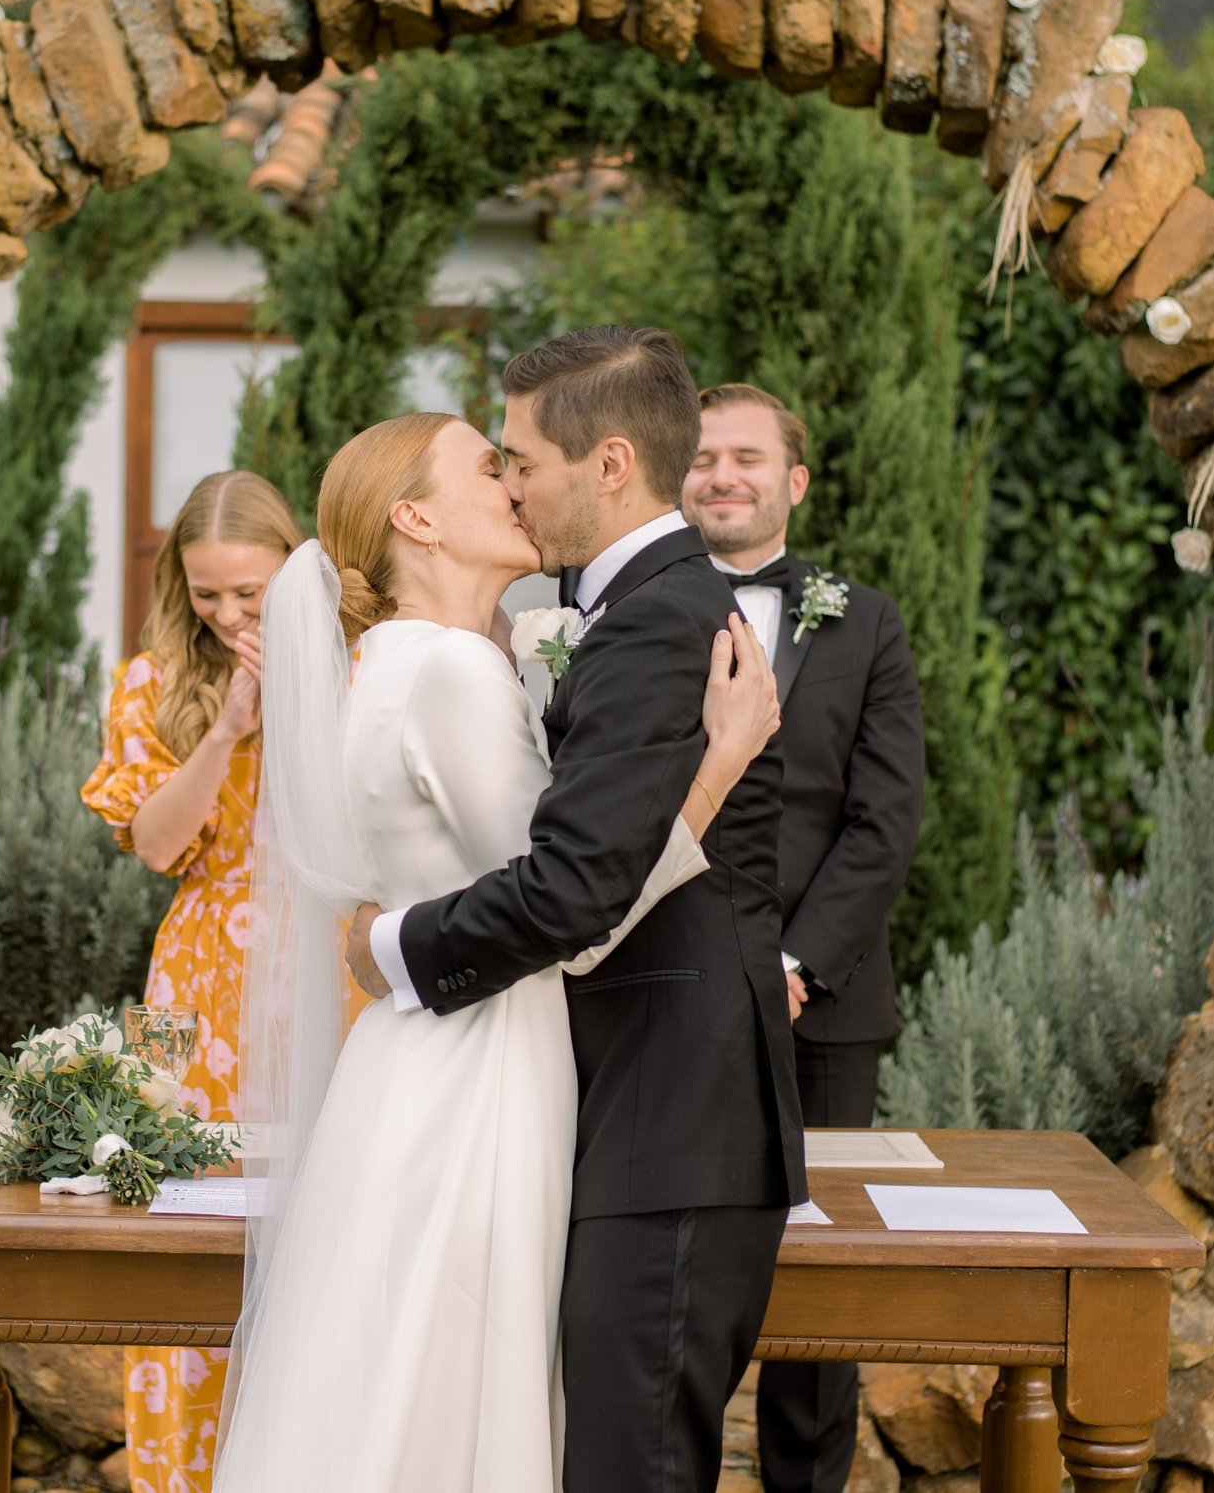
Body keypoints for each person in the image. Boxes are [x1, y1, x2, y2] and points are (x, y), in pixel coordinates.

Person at [218, 403, 782, 1492]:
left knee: (389, 1382)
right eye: (491, 467)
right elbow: (572, 919)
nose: (516, 485)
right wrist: (719, 764)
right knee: (453, 1381)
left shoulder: (381, 666)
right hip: (480, 1068)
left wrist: (384, 946)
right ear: (416, 517)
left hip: (408, 1062)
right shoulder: (451, 673)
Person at [684, 384, 927, 1493]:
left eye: (744, 455)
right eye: (700, 458)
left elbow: (885, 818)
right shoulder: (618, 613)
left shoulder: (864, 620)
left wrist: (789, 965)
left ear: (794, 481)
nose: (719, 474)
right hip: (660, 988)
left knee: (818, 1282)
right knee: (655, 1267)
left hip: (818, 1005)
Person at [80, 468, 301, 1493]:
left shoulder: (357, 659)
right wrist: (226, 729)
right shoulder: (152, 679)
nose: (225, 612)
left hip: (328, 967)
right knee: (194, 1235)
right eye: (206, 591)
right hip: (203, 978)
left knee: (321, 1229)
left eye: (248, 592)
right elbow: (158, 845)